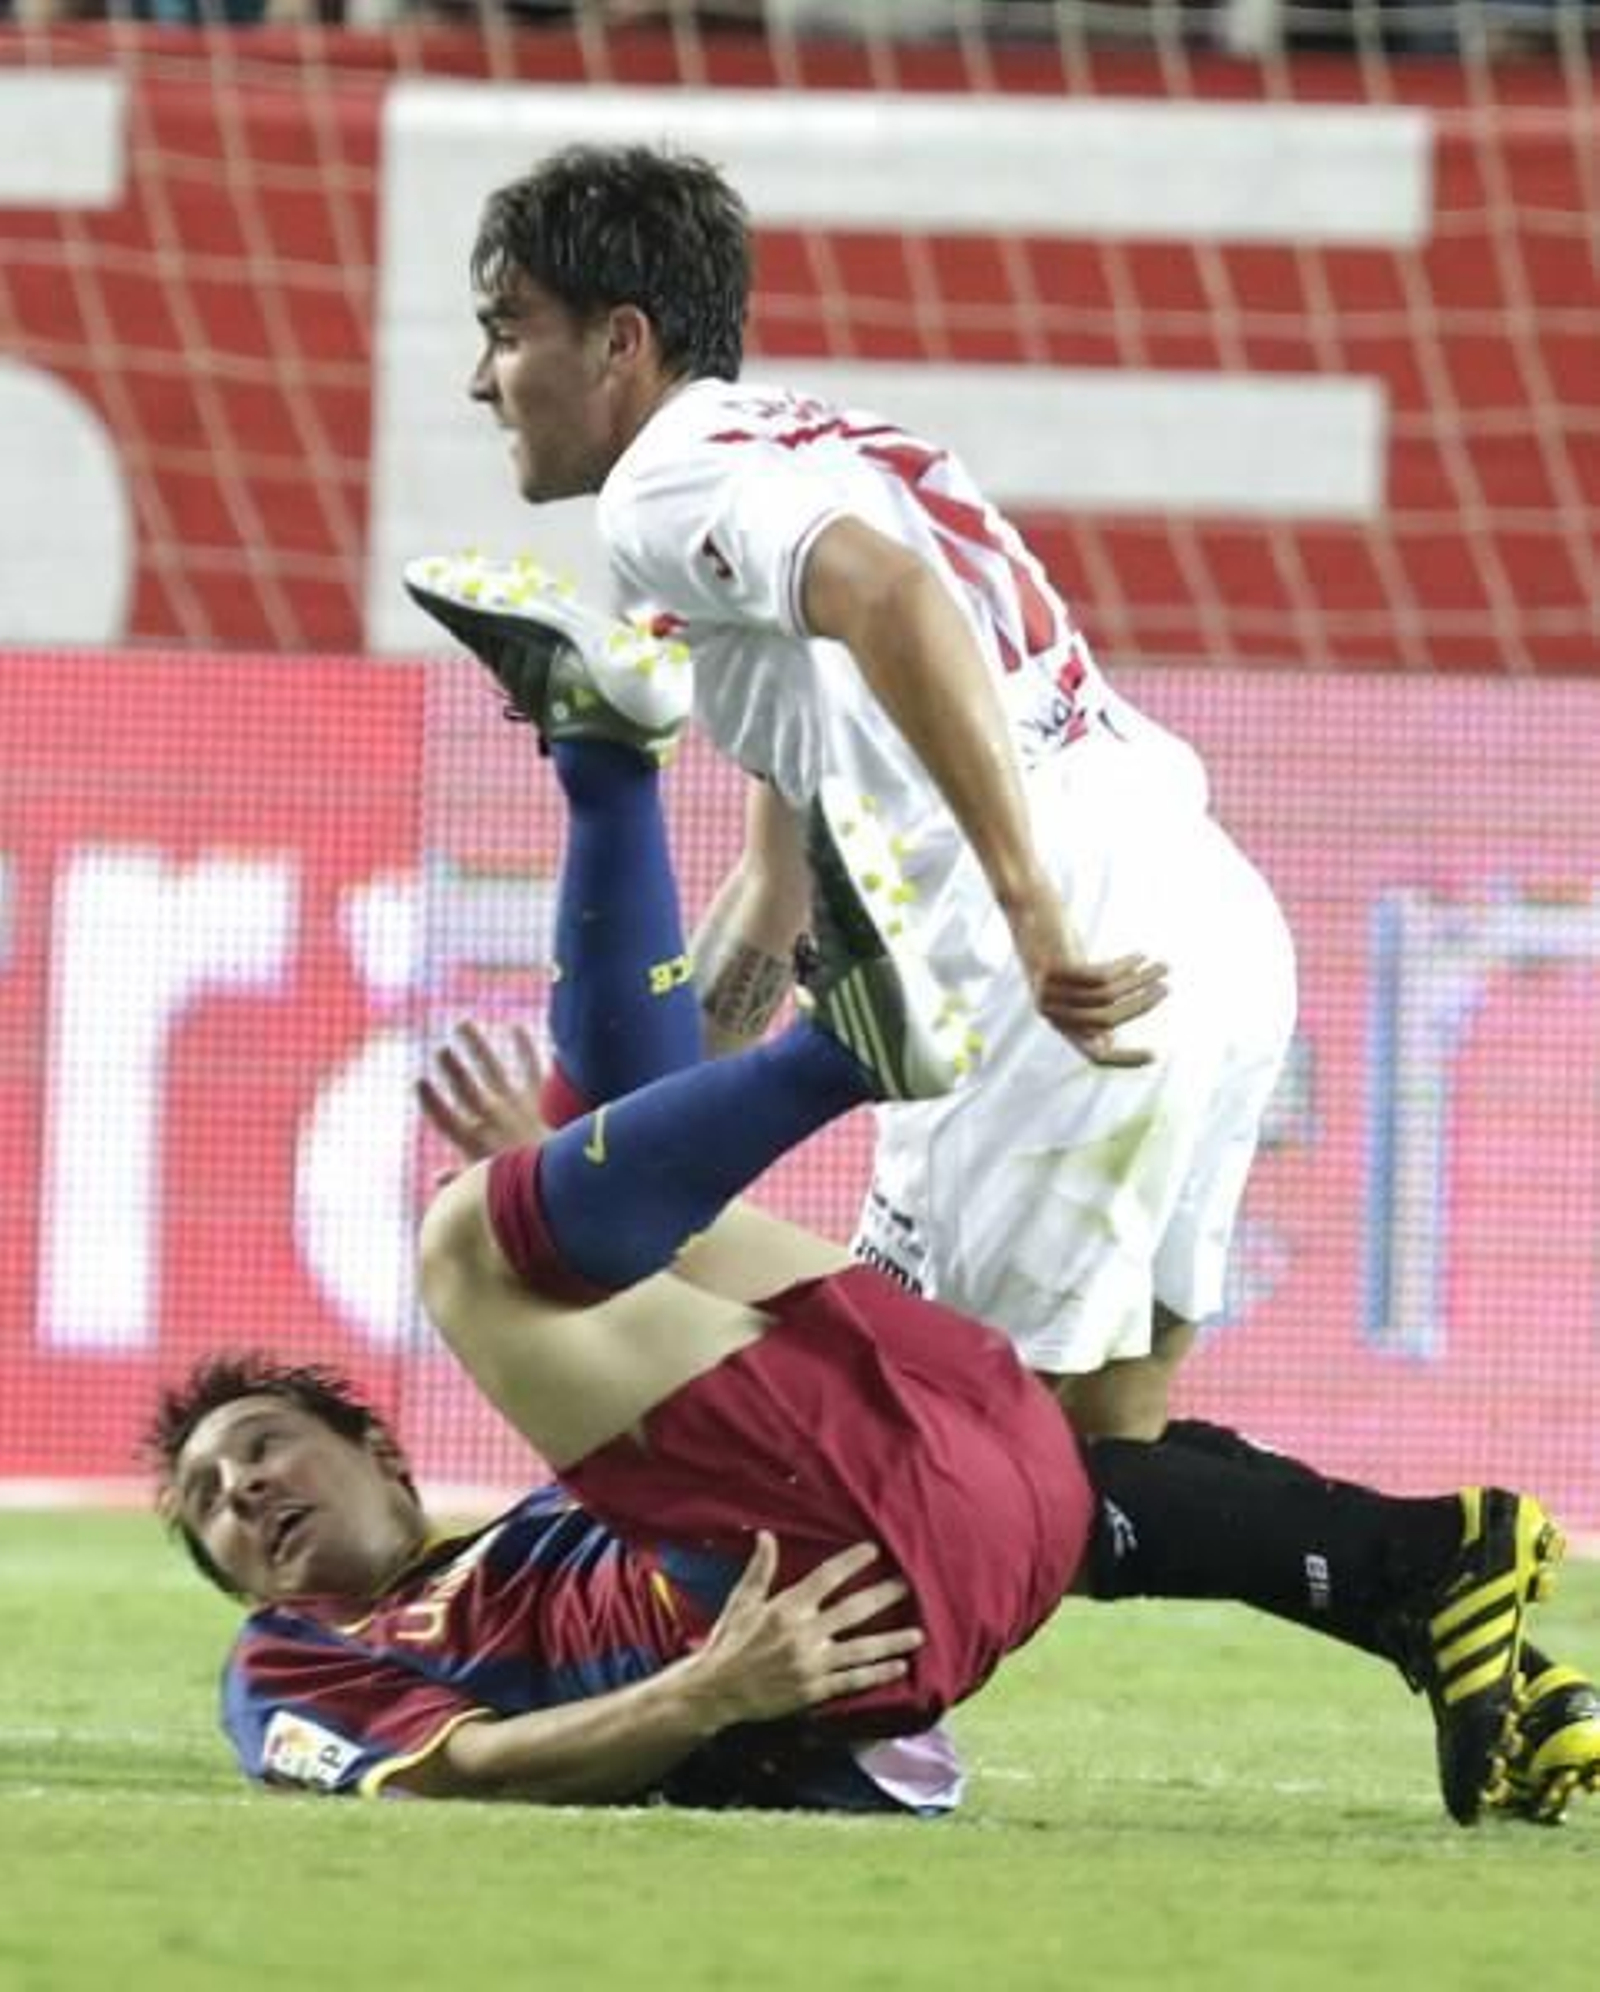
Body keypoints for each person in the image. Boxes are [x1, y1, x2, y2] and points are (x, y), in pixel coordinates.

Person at [151, 618, 1589, 1824]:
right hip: (868, 1572)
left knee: (583, 1210)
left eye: (259, 1446)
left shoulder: (560, 1515)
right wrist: (709, 1702)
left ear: (376, 1447)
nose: (244, 1495)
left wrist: (575, 1159)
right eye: (211, 1508)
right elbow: (460, 1774)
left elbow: (666, 1222)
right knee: (478, 1242)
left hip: (995, 1475)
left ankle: (1420, 1564)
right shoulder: (288, 1665)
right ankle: (715, 895)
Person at [403, 139, 1288, 1452]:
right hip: (1202, 907)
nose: (483, 379)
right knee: (1101, 1449)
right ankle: (1425, 1566)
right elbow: (774, 899)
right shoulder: (819, 450)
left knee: (953, 1475)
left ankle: (1418, 1562)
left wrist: (1030, 910)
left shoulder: (667, 481)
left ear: (620, 342)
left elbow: (889, 592)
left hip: (1043, 954)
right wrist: (598, 1157)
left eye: (508, 332)